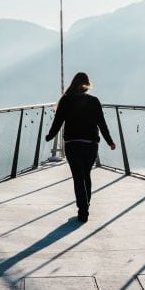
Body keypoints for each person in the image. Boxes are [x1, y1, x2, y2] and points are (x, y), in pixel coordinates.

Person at [45, 72, 116, 223]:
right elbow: (102, 123)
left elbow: (57, 121)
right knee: (86, 174)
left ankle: (82, 209)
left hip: (72, 143)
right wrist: (110, 141)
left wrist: (50, 136)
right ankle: (86, 205)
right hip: (90, 144)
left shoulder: (65, 101)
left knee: (78, 177)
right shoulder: (94, 101)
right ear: (87, 84)